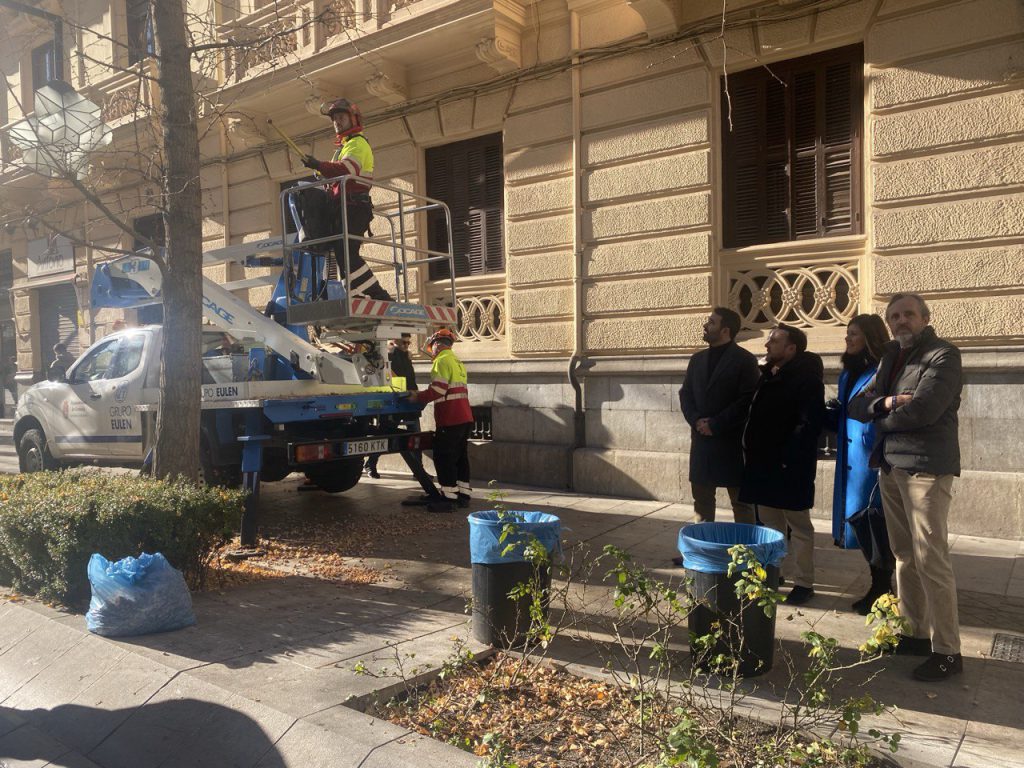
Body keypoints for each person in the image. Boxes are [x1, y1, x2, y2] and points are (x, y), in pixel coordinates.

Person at [849, 293, 964, 682]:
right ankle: (914, 633)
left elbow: (925, 410)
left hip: (926, 469)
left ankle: (948, 650)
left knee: (931, 558)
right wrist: (886, 404)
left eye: (908, 315)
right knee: (903, 554)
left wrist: (878, 414)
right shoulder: (888, 358)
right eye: (894, 316)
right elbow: (856, 406)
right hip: (891, 465)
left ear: (925, 318)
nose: (901, 321)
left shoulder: (943, 355)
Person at [739, 324, 825, 606]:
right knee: (769, 524)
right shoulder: (768, 375)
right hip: (763, 465)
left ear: (791, 349)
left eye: (774, 341)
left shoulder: (806, 379)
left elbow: (807, 424)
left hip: (790, 467)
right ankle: (772, 572)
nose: (767, 345)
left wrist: (788, 457)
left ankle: (804, 582)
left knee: (799, 527)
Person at [674, 308, 760, 565]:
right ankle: (700, 552)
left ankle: (747, 556)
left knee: (741, 503)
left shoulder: (744, 360)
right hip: (701, 441)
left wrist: (717, 424)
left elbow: (748, 399)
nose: (706, 325)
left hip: (730, 442)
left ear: (725, 330)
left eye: (711, 322)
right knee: (702, 502)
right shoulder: (697, 360)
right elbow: (685, 394)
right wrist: (696, 420)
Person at [826, 314, 895, 615]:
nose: (847, 339)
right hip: (851, 462)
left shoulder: (883, 370)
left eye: (854, 334)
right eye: (847, 333)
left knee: (876, 526)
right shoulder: (848, 373)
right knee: (861, 525)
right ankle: (879, 586)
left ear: (869, 337)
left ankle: (882, 589)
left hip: (871, 462)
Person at [300, 98, 391, 301]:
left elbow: (346, 170)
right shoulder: (343, 148)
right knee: (342, 255)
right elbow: (334, 175)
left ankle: (379, 296)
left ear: (353, 119)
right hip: (343, 207)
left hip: (354, 207)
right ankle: (355, 294)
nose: (337, 122)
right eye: (334, 119)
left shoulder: (358, 144)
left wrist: (319, 165)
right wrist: (319, 171)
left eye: (341, 117)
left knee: (347, 254)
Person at [365, 334, 444, 504]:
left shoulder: (406, 357)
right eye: (404, 342)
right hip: (394, 400)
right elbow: (389, 376)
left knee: (415, 435)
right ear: (394, 341)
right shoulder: (390, 355)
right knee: (386, 435)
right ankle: (371, 464)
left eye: (409, 342)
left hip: (409, 398)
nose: (407, 345)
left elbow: (410, 378)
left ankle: (419, 470)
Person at [404, 328, 472, 513]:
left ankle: (448, 499)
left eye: (431, 347)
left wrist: (416, 397)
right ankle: (463, 495)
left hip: (450, 418)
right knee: (460, 458)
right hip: (464, 416)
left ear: (436, 344)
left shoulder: (441, 361)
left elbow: (439, 390)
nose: (431, 352)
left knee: (444, 458)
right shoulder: (457, 361)